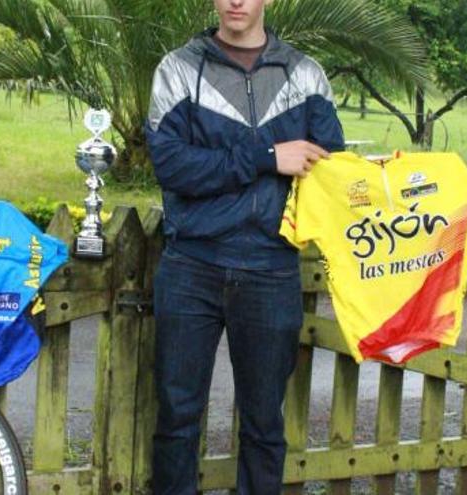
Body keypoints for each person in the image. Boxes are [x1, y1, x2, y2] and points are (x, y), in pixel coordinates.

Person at [143, 0, 345, 492]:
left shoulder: (304, 74)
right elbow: (173, 167)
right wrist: (268, 156)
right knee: (177, 416)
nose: (237, 1)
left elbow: (332, 167)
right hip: (192, 265)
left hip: (270, 269)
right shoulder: (179, 69)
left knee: (263, 423)